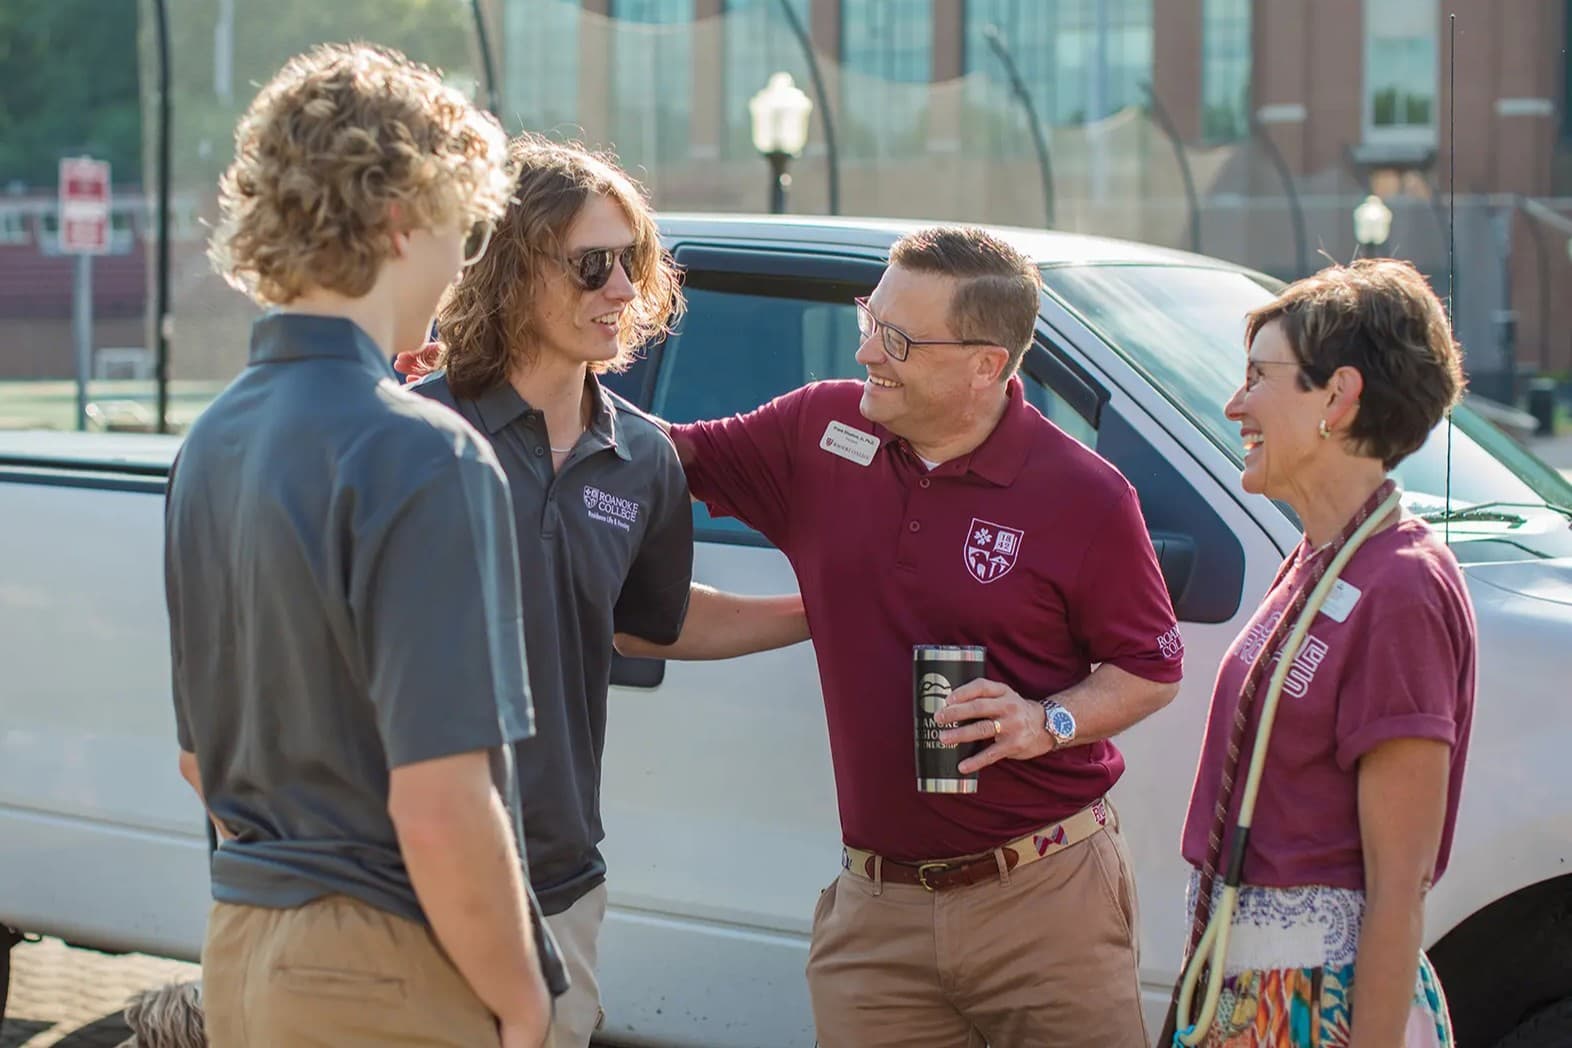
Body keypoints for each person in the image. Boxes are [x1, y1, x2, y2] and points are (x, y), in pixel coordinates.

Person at [625, 226, 1185, 1047]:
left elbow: (1151, 667)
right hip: (875, 912)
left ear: (987, 365)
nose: (866, 353)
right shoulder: (821, 428)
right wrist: (513, 379)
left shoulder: (1087, 496)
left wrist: (1046, 721)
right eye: (868, 319)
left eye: (898, 339)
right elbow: (665, 454)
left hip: (1045, 897)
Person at [164, 43, 557, 1047]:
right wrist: (522, 1000)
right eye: (463, 232)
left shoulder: (211, 439)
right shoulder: (423, 452)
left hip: (242, 946)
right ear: (401, 216)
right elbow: (439, 801)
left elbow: (200, 763)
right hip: (386, 961)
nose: (462, 263)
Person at [400, 133, 809, 1047]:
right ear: (507, 266)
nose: (622, 290)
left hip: (558, 877)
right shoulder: (416, 435)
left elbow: (650, 622)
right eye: (592, 265)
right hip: (401, 877)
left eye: (632, 263)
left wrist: (820, 613)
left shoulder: (644, 459)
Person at [1170, 259, 1475, 1047]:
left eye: (1257, 378)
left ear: (1337, 398)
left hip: (1314, 1010)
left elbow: (1397, 888)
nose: (1235, 403)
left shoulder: (1400, 587)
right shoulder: (1323, 556)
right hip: (1249, 998)